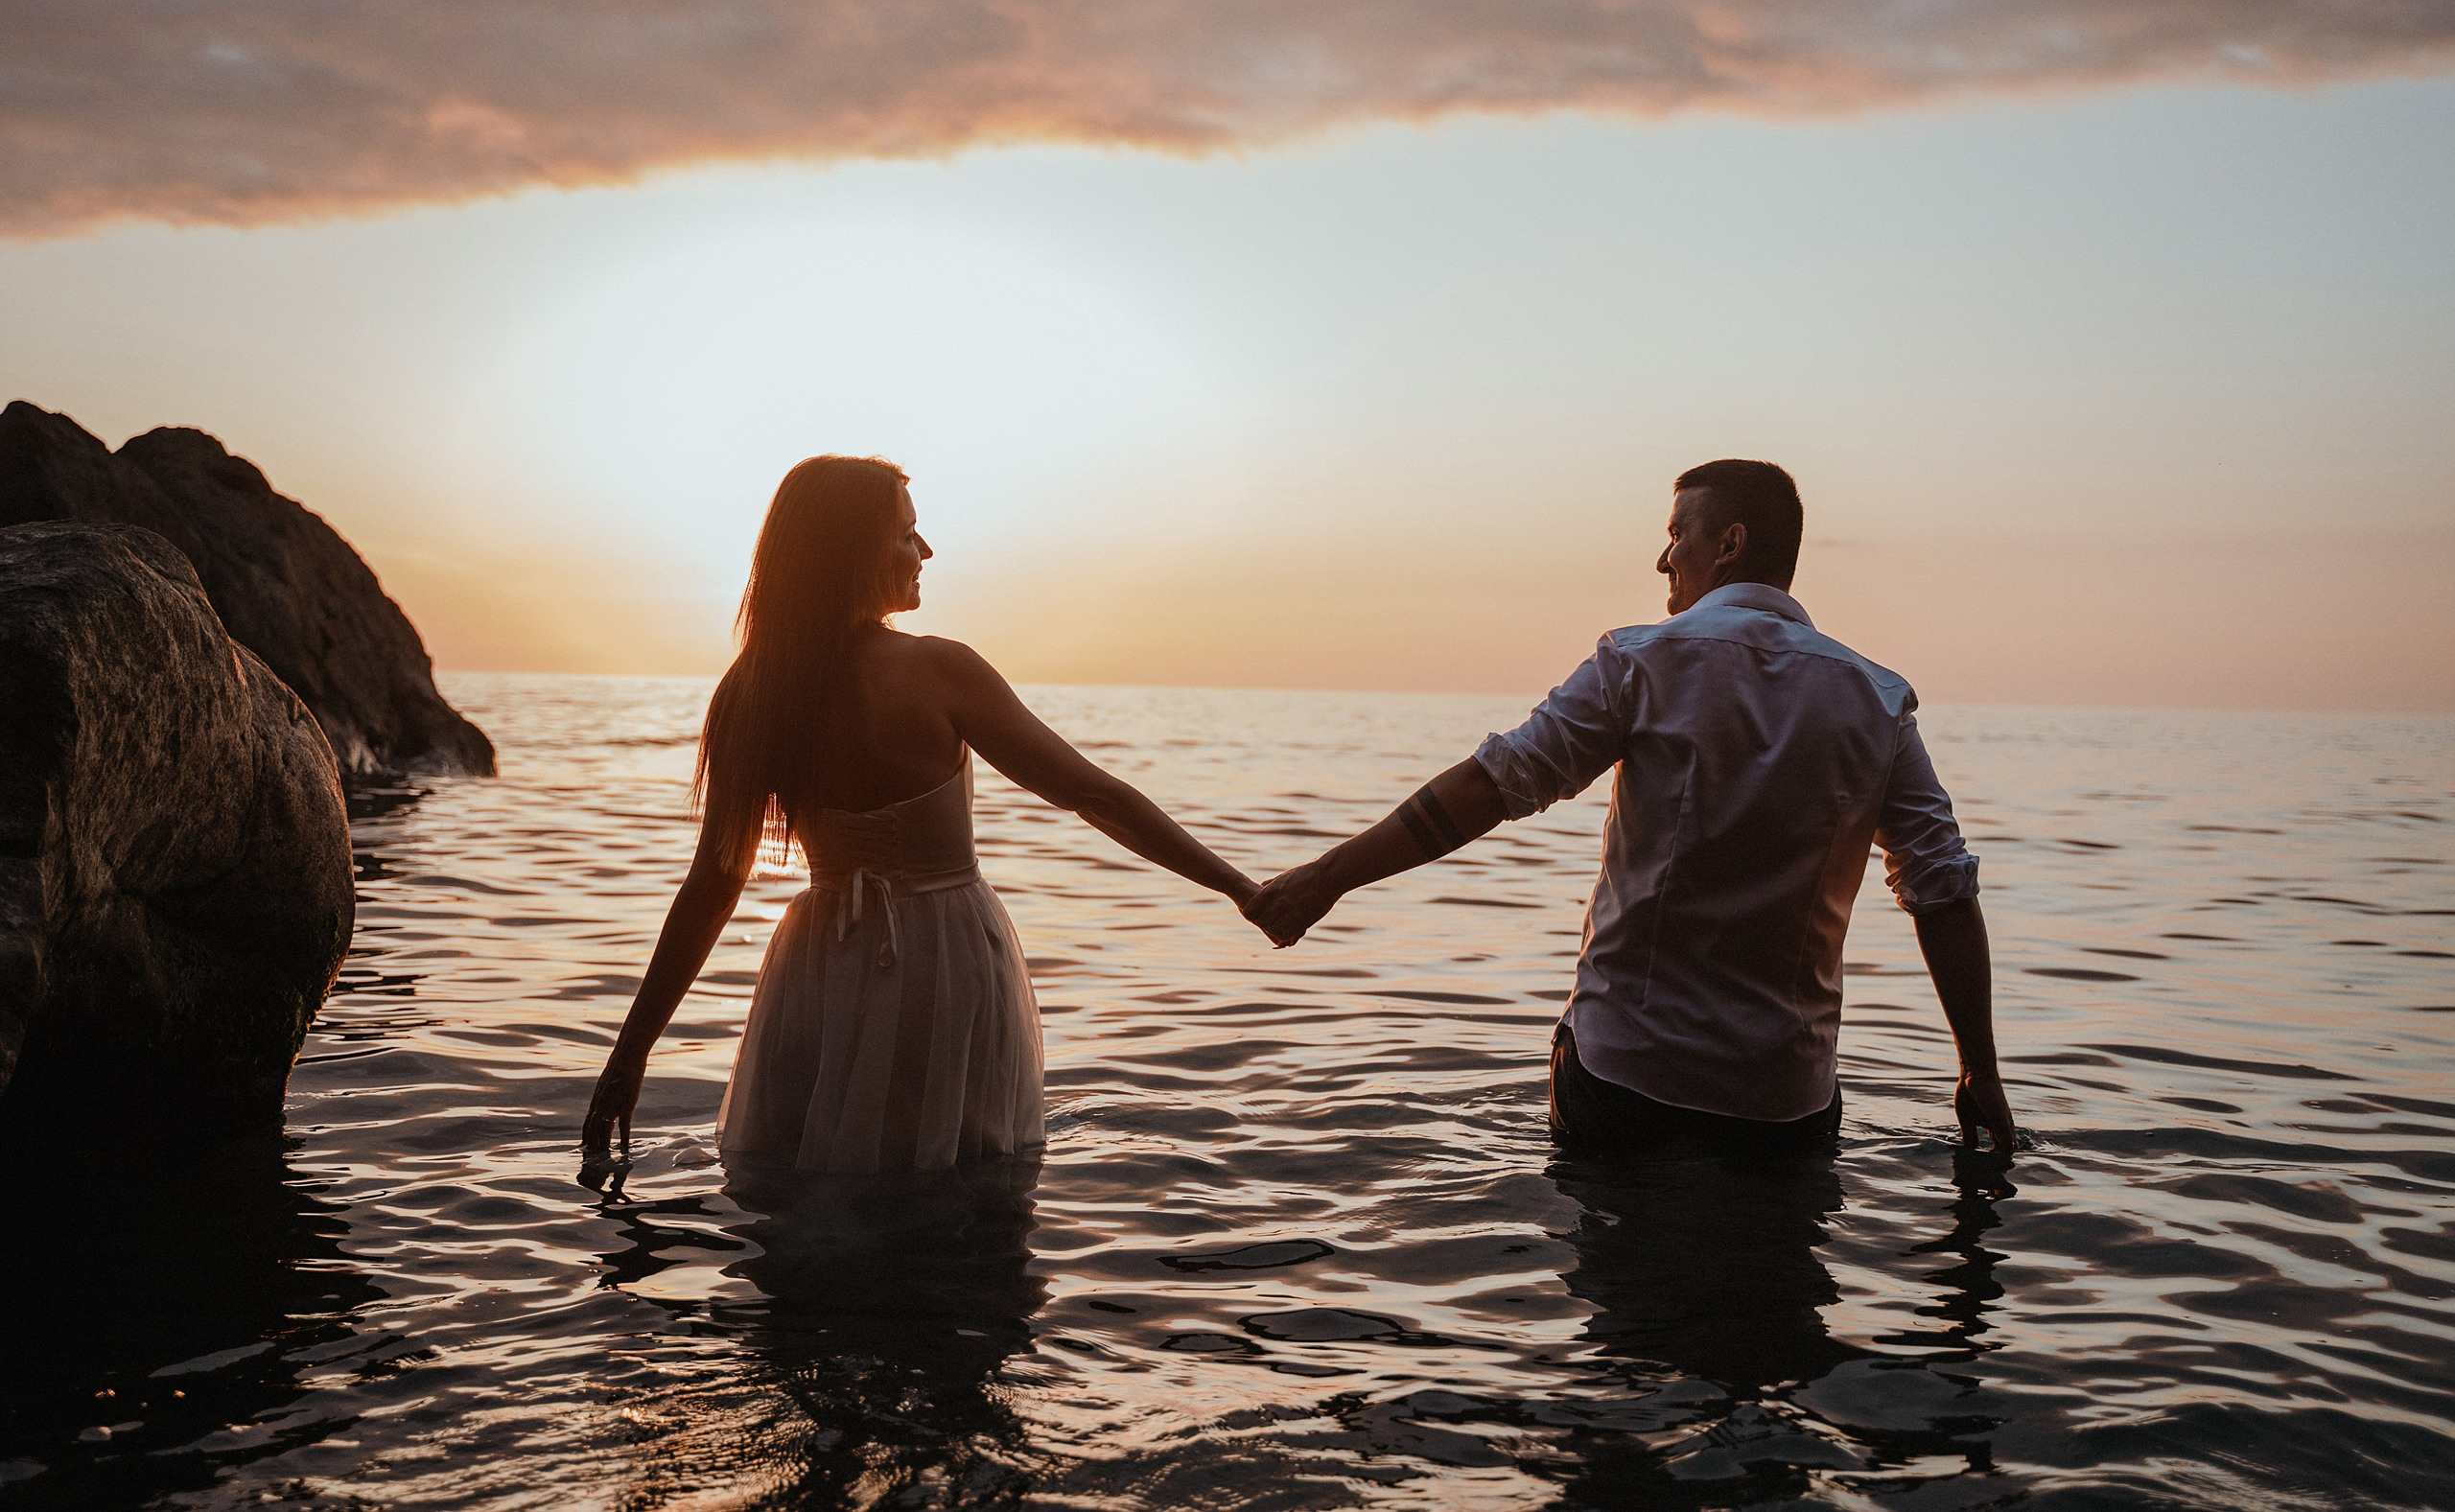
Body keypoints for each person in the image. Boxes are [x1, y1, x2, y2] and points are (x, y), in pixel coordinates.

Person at [1248, 459, 2016, 1157]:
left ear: (1730, 544)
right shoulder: (1876, 701)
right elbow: (1942, 887)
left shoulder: (1641, 663)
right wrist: (1979, 1070)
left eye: (1678, 534)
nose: (1663, 558)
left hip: (1627, 1083)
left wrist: (1326, 878)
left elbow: (1493, 784)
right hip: (1785, 1102)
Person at [582, 455, 1258, 1174]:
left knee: (807, 1197)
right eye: (908, 535)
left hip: (818, 970)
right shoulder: (939, 669)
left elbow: (713, 887)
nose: (926, 551)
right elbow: (1093, 796)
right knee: (959, 1187)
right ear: (854, 551)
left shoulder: (750, 692)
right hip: (945, 961)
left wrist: (630, 1056)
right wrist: (1240, 888)